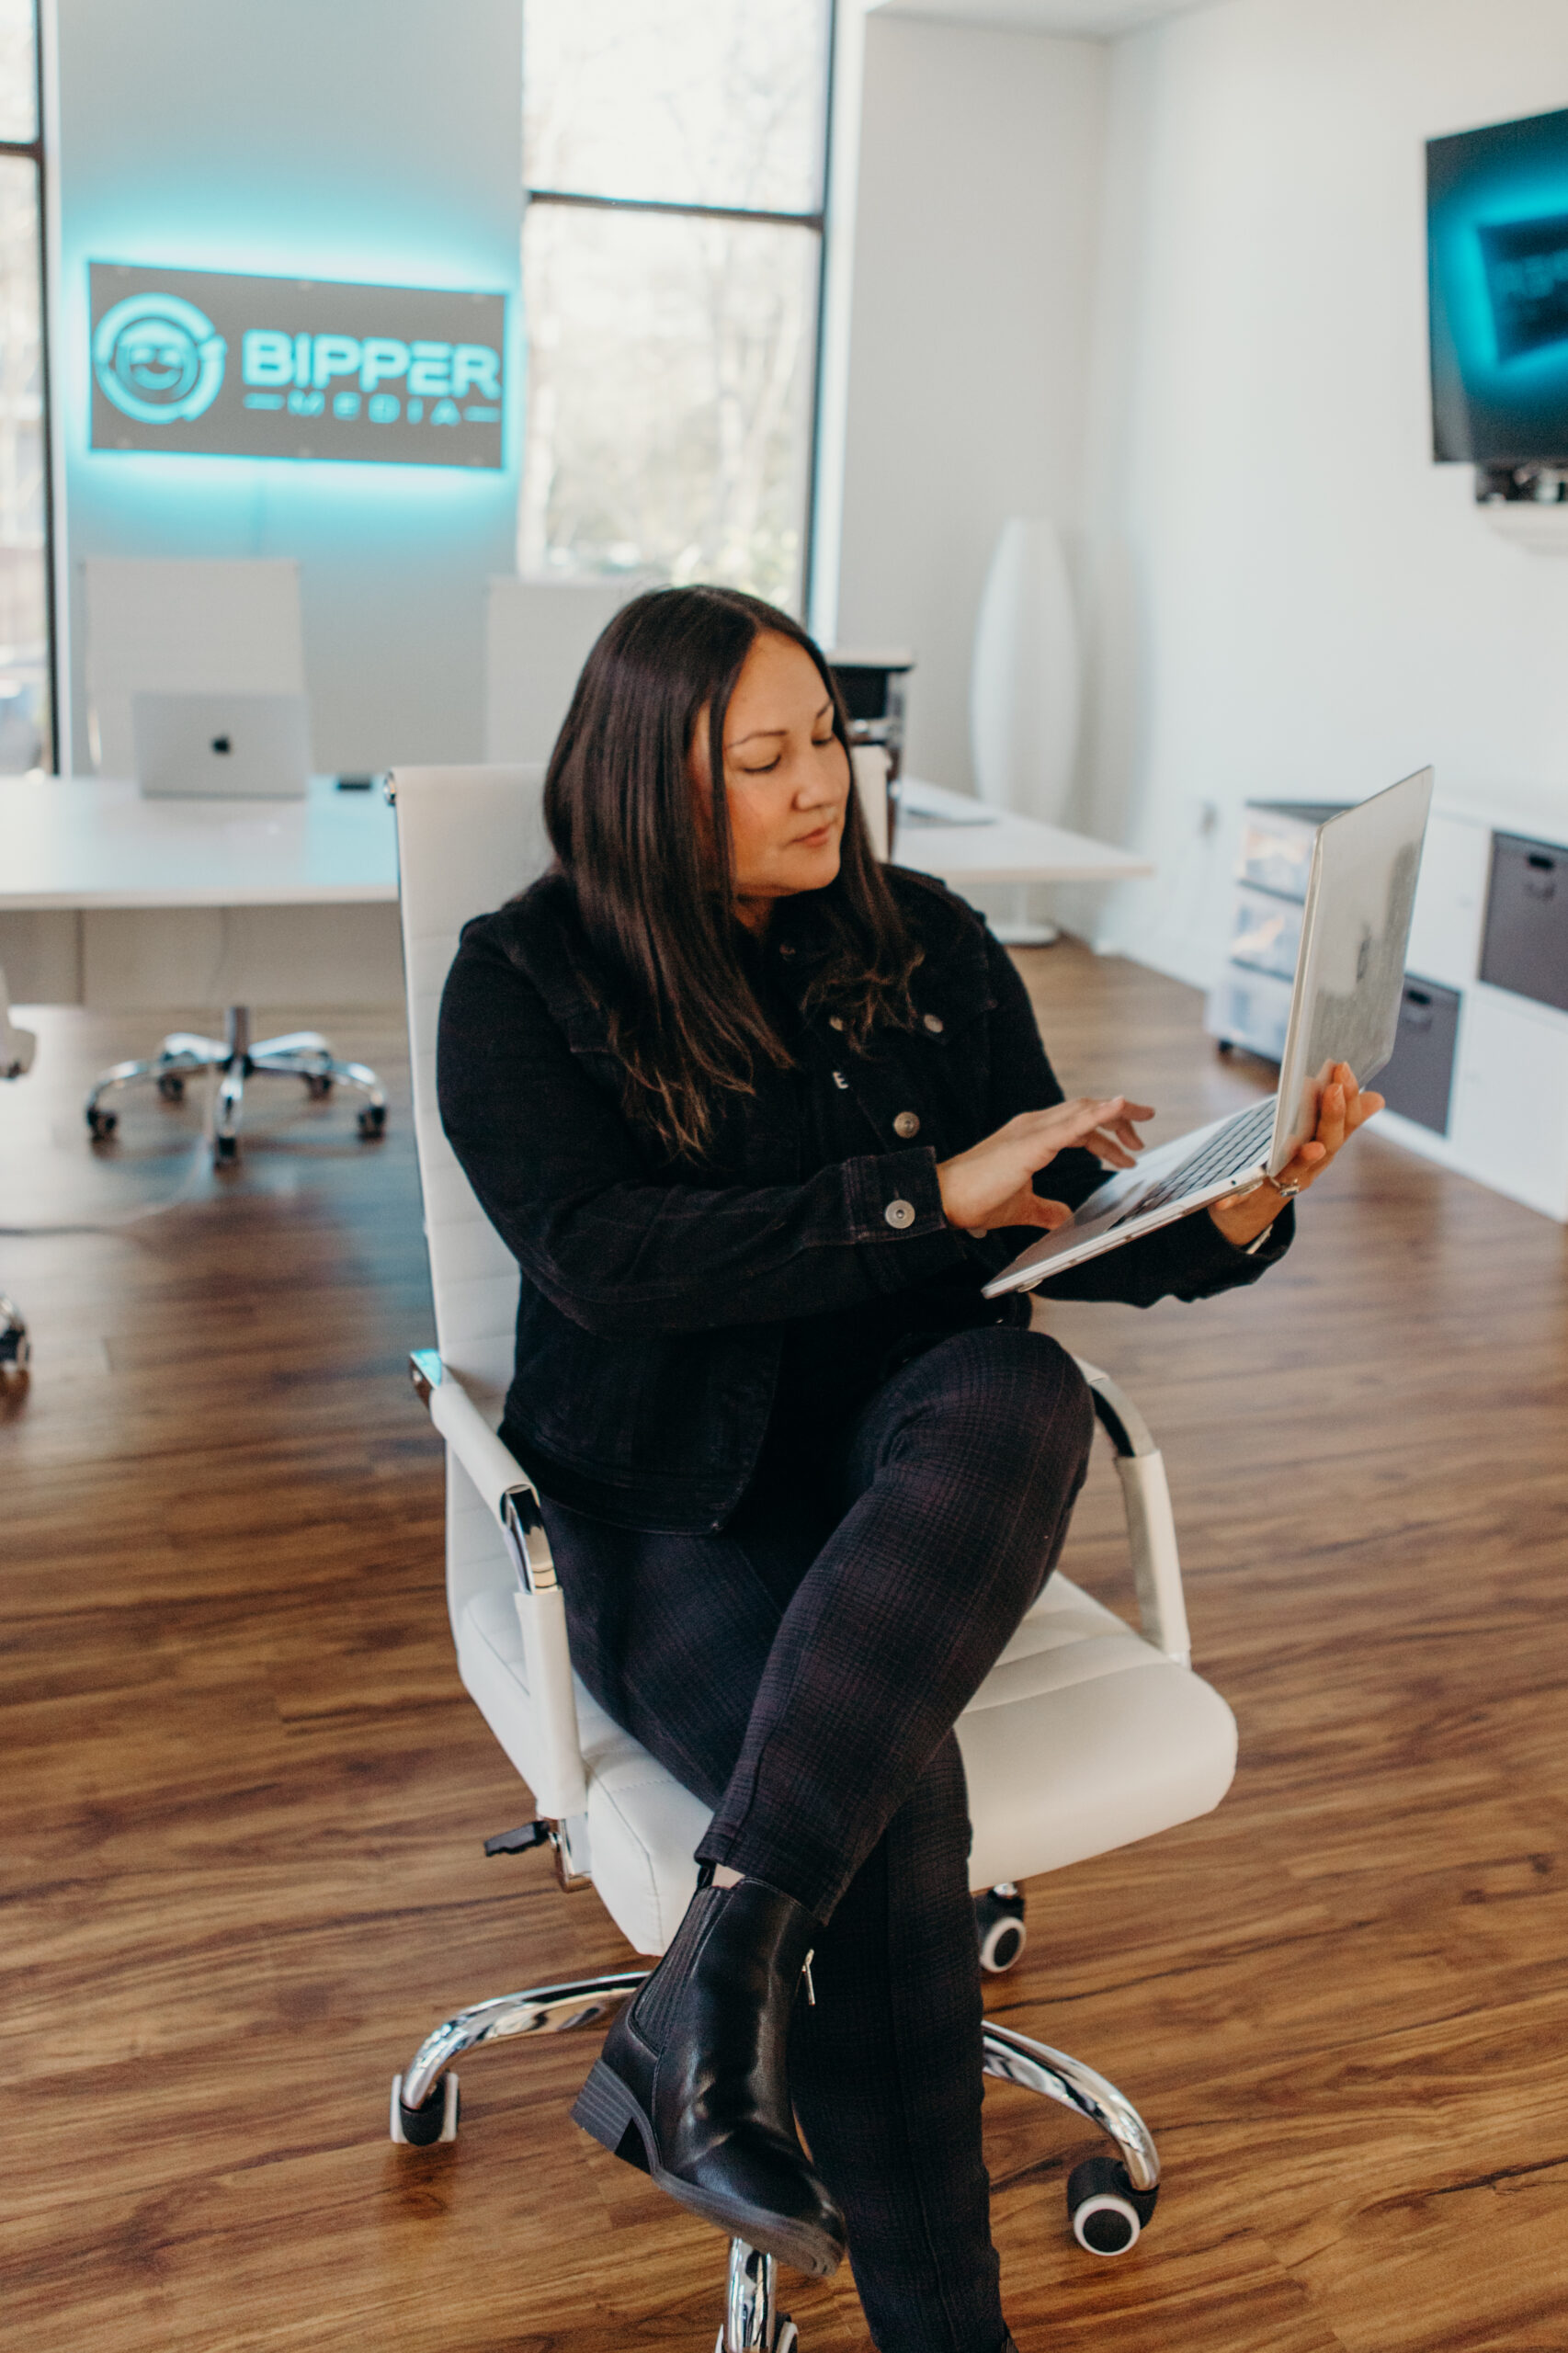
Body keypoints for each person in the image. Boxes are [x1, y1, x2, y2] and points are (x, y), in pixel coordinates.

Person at [437, 585, 1381, 2353]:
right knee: (889, 1810)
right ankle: (943, 2317)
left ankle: (706, 1988)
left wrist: (1238, 1204)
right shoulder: (523, 977)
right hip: (664, 1500)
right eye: (765, 758)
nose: (823, 786)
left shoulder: (921, 937)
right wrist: (916, 1198)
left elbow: (1062, 1223)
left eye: (831, 741)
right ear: (647, 780)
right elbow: (601, 1262)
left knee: (1022, 1387)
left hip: (911, 1472)